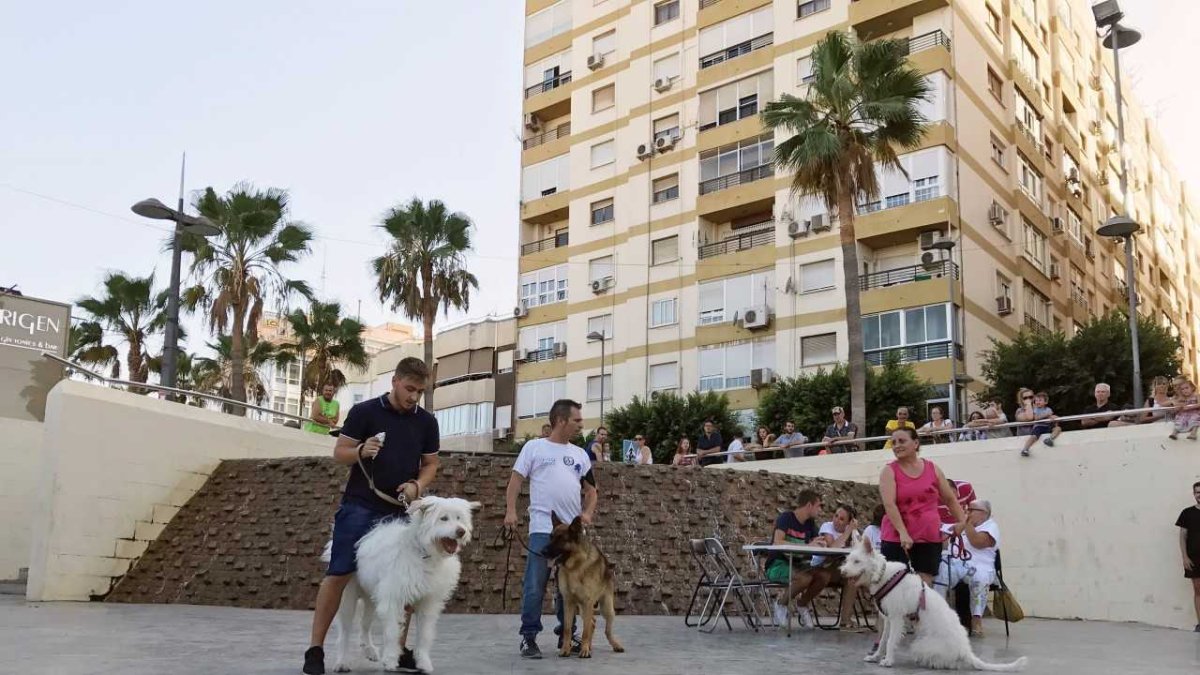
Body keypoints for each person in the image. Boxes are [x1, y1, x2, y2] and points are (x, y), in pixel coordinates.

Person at [303, 358, 440, 675]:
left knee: (407, 579)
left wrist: (417, 486)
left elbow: (431, 464)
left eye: (420, 391)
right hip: (360, 505)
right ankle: (315, 650)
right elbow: (340, 453)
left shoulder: (426, 423)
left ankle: (398, 649)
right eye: (409, 389)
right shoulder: (365, 412)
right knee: (339, 572)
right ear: (394, 381)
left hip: (400, 509)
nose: (413, 397)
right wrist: (361, 450)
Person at [505, 399, 598, 659]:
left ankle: (566, 636)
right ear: (561, 420)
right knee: (535, 585)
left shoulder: (580, 454)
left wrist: (587, 513)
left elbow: (591, 491)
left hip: (572, 536)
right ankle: (528, 637)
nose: (581, 425)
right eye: (577, 420)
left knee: (567, 589)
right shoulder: (534, 447)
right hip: (542, 529)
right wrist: (511, 511)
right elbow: (515, 482)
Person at [878, 427, 967, 586]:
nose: (897, 445)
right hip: (897, 537)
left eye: (902, 441)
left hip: (928, 535)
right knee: (897, 586)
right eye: (894, 442)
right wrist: (903, 533)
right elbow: (889, 504)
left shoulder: (933, 468)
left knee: (925, 587)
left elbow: (949, 498)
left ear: (916, 443)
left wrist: (961, 521)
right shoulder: (889, 471)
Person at [764, 489, 827, 629]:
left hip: (799, 565)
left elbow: (816, 542)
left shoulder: (810, 523)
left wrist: (821, 542)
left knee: (824, 576)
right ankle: (781, 604)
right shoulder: (786, 518)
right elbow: (777, 542)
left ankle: (802, 604)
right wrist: (807, 545)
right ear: (809, 505)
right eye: (819, 506)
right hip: (777, 566)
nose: (820, 510)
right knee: (804, 578)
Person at [812, 504, 863, 631]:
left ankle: (845, 622)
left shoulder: (852, 532)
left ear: (849, 522)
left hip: (840, 569)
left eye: (841, 519)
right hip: (822, 567)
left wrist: (854, 531)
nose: (836, 520)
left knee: (853, 579)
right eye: (836, 516)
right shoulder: (827, 526)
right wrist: (848, 531)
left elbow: (860, 549)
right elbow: (832, 548)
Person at [961, 500, 1001, 637]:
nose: (968, 513)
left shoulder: (991, 526)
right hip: (959, 563)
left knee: (980, 578)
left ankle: (976, 619)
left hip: (981, 566)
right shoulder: (964, 524)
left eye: (971, 510)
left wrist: (967, 524)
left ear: (984, 513)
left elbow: (978, 542)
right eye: (967, 509)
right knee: (939, 575)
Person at [1176, 481, 1200, 633]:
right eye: (1197, 492)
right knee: (1198, 590)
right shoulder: (1187, 513)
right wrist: (1184, 557)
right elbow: (1182, 536)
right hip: (1194, 559)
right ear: (1194, 494)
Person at [1016, 389, 1060, 458]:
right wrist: (1028, 405)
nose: (1028, 399)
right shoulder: (1019, 411)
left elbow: (1050, 417)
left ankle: (1050, 439)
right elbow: (1030, 417)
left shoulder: (1044, 408)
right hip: (1029, 437)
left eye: (1030, 397)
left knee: (1057, 428)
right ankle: (1025, 449)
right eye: (1025, 398)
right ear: (1021, 400)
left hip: (1044, 431)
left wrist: (1053, 417)